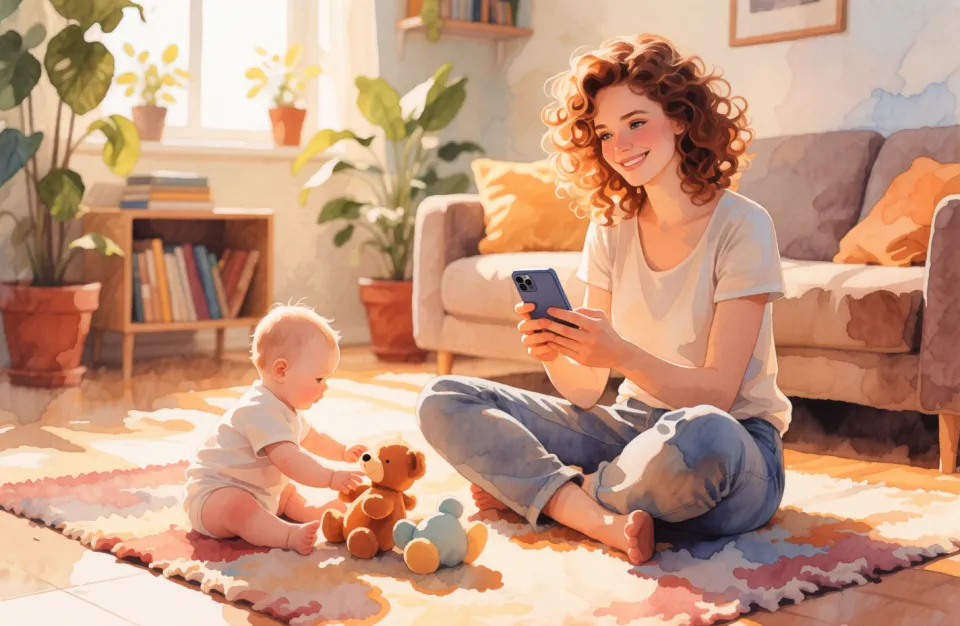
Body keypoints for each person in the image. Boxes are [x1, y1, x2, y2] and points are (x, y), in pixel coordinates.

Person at [415, 34, 790, 566]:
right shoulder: (611, 226)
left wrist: (620, 354)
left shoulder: (744, 225)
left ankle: (553, 495)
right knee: (444, 396)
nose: (622, 145)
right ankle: (602, 514)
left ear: (681, 119)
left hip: (734, 449)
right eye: (606, 132)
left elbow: (719, 395)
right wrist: (554, 350)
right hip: (631, 429)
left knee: (701, 436)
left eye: (637, 122)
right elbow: (588, 392)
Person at [182, 304, 368, 555]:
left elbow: (313, 438)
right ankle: (288, 535)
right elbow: (289, 460)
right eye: (319, 379)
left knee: (287, 493)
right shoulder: (259, 409)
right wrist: (331, 478)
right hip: (213, 497)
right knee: (240, 507)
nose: (325, 387)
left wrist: (343, 451)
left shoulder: (286, 409)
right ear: (282, 371)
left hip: (260, 492)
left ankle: (315, 514)